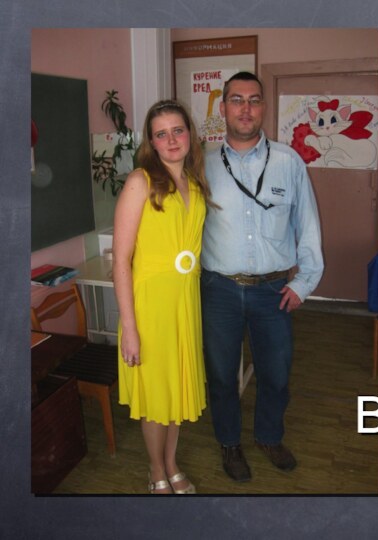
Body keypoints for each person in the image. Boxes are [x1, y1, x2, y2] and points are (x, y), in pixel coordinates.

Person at [201, 71, 324, 482]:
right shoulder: (201, 165)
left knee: (276, 373)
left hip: (274, 290)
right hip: (219, 289)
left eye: (254, 100)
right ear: (223, 108)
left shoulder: (288, 162)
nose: (246, 108)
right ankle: (229, 443)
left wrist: (304, 282)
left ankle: (269, 436)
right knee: (221, 376)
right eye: (237, 100)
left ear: (264, 107)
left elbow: (308, 226)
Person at [113, 99, 214, 494]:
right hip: (150, 308)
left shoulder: (194, 182)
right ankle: (156, 470)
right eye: (161, 134)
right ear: (151, 142)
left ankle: (171, 463)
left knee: (175, 390)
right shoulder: (140, 182)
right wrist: (130, 328)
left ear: (189, 134)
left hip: (184, 304)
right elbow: (121, 260)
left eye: (177, 130)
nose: (171, 140)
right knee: (157, 396)